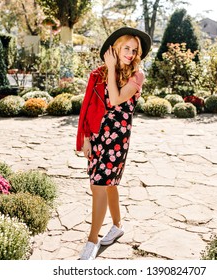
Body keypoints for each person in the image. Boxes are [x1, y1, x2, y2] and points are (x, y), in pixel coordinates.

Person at [76, 27, 152, 260]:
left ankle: (91, 241)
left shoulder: (137, 76)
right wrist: (86, 138)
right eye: (126, 48)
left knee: (100, 185)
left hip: (117, 139)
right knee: (107, 184)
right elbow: (88, 106)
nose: (130, 53)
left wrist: (110, 68)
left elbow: (117, 98)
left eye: (134, 50)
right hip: (97, 135)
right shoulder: (97, 74)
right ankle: (117, 225)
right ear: (115, 48)